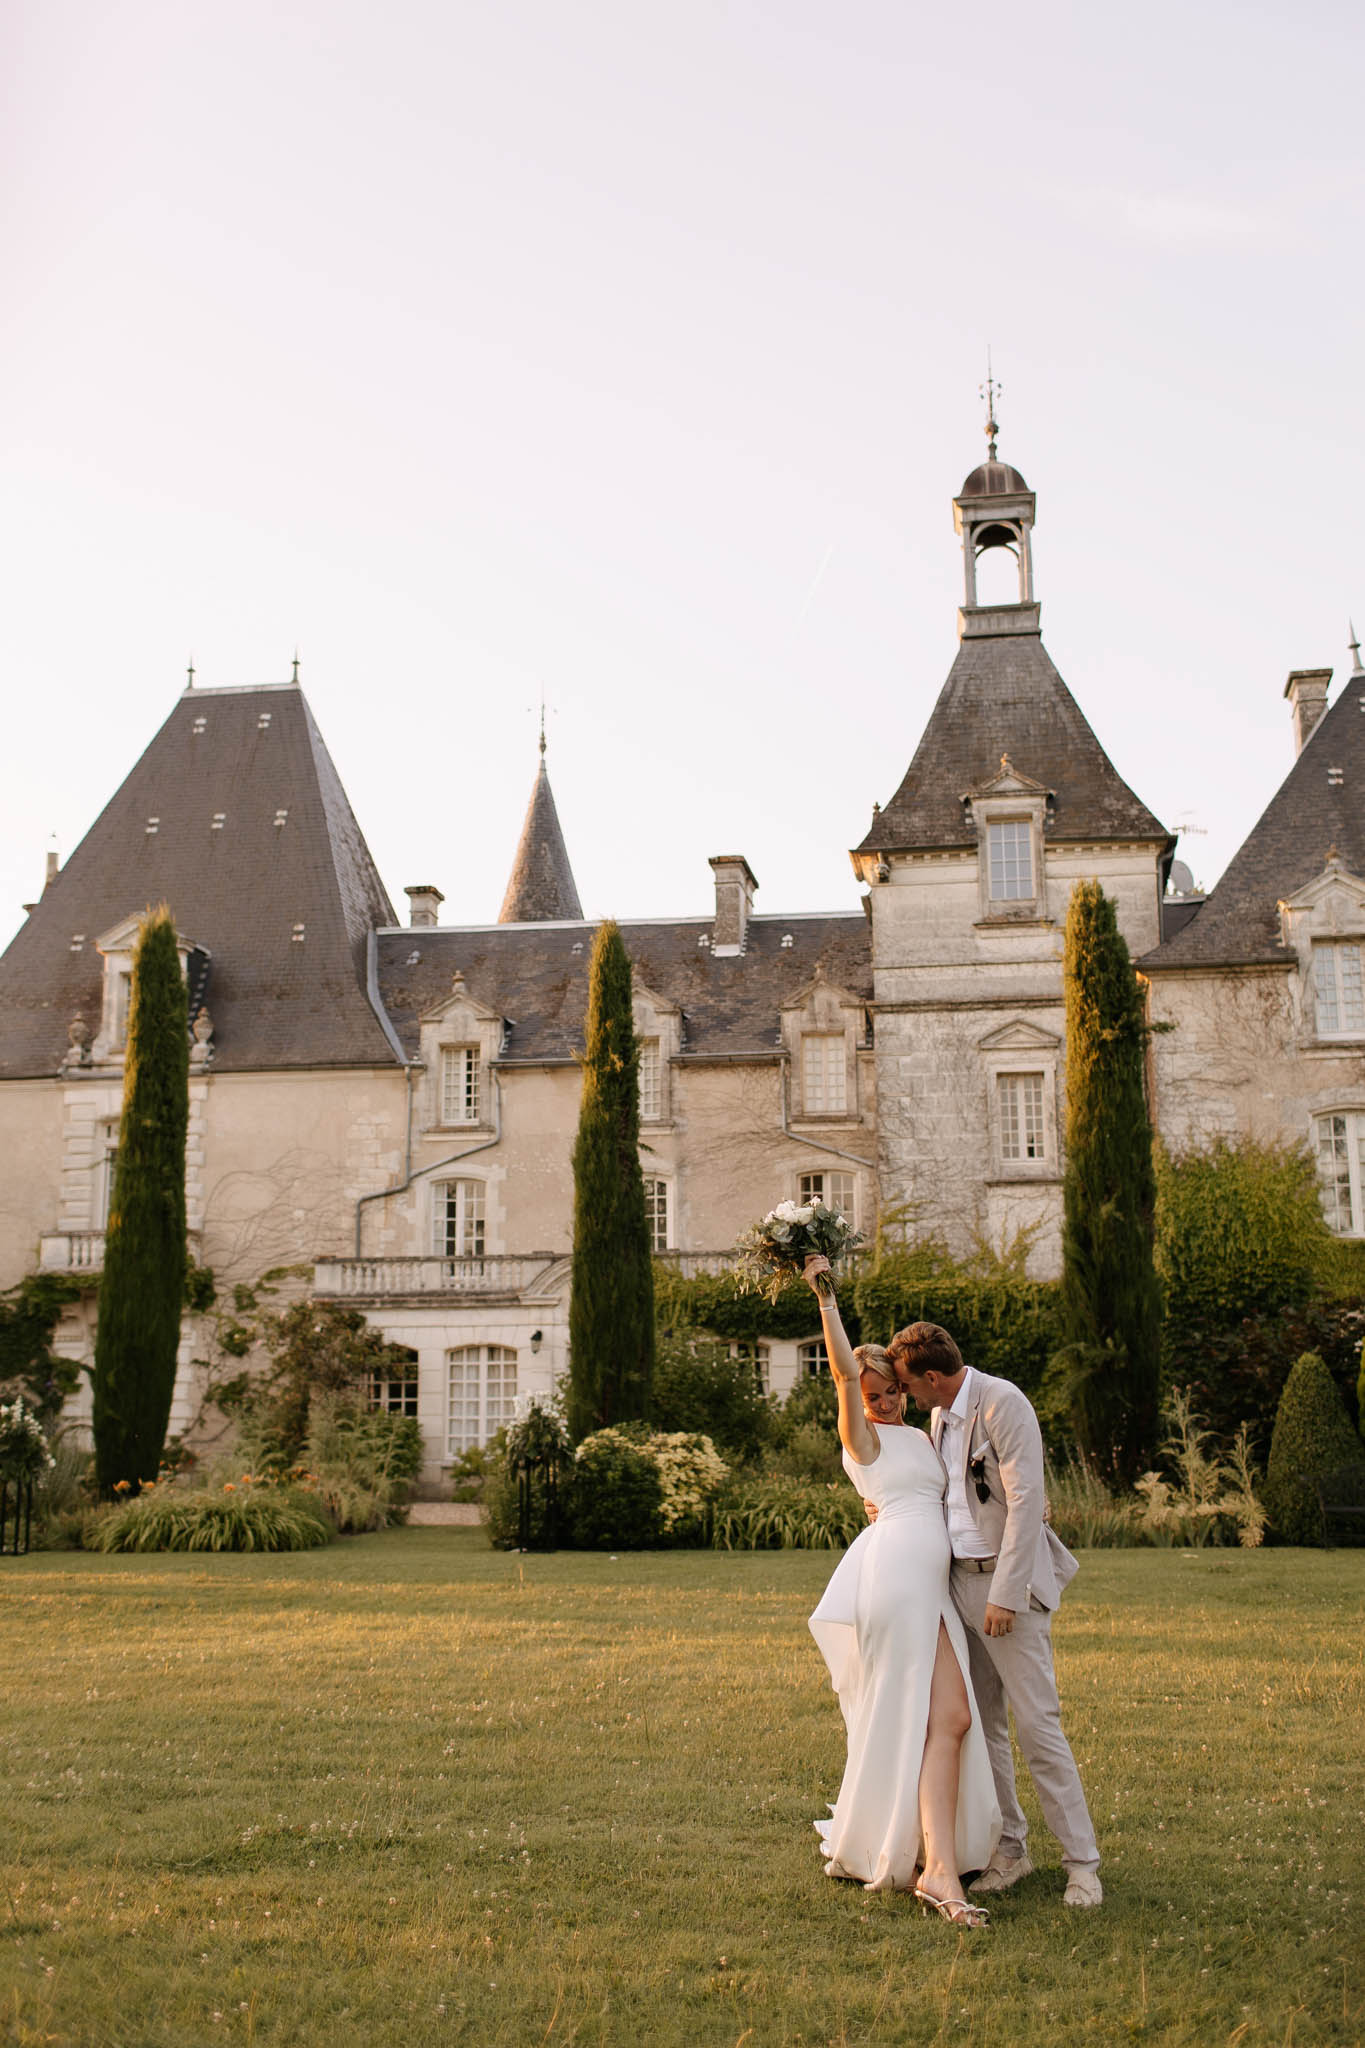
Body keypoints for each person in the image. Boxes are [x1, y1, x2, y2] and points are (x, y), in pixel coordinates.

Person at [803, 1257, 1000, 1923]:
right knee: (924, 1717)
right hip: (893, 1577)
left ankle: (937, 1863)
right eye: (867, 1395)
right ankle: (936, 1870)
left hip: (930, 1583)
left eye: (886, 1391)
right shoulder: (860, 1439)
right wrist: (827, 1300)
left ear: (898, 1385)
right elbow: (837, 1370)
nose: (878, 1402)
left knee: (950, 1717)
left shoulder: (921, 1433)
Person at [883, 1321, 1102, 1910]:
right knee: (985, 1728)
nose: (905, 1396)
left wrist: (1005, 1594)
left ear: (931, 1378)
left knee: (1038, 1727)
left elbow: (1027, 1497)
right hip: (955, 1587)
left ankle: (1083, 1864)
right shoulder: (937, 1417)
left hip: (1006, 1592)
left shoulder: (1002, 1401)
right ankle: (1011, 1848)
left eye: (907, 1386)